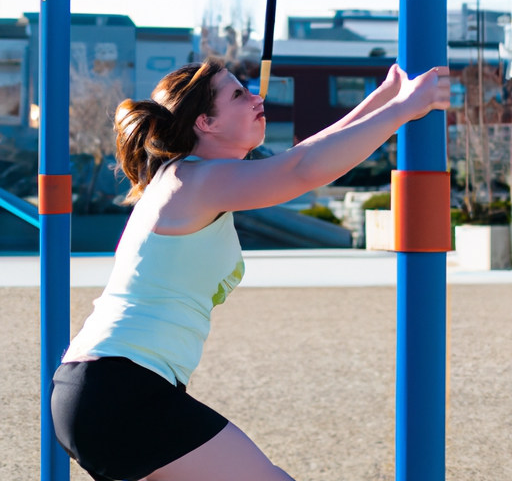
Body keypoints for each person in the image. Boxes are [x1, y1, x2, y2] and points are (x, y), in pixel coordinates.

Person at [51, 57, 450, 481]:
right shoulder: (193, 181)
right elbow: (302, 170)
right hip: (119, 389)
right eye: (238, 94)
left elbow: (303, 156)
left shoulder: (188, 179)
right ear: (206, 122)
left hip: (97, 390)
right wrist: (405, 109)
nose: (258, 97)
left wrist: (381, 101)